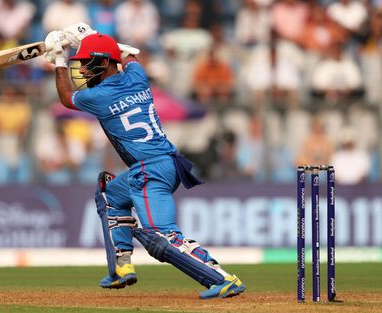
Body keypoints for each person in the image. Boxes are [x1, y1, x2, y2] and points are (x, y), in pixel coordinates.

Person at [43, 24, 245, 299]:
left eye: (88, 63)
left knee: (160, 237)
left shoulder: (99, 96)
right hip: (163, 163)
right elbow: (131, 57)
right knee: (111, 195)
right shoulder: (137, 77)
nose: (83, 71)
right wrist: (94, 38)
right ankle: (122, 268)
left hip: (150, 170)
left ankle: (222, 278)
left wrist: (58, 59)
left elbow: (67, 98)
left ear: (104, 62)